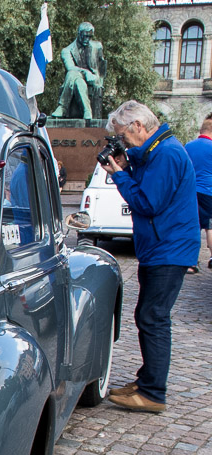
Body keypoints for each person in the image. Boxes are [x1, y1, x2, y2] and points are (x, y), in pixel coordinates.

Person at [100, 101, 200, 413]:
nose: (123, 142)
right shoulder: (159, 152)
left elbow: (146, 202)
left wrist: (118, 173)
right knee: (148, 314)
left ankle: (153, 392)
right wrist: (128, 166)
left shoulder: (167, 154)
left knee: (153, 317)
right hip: (162, 246)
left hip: (168, 248)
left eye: (123, 136)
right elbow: (148, 189)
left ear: (139, 126)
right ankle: (147, 382)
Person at [51, 22, 106, 120]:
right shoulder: (67, 51)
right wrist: (85, 72)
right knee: (78, 81)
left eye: (89, 36)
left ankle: (62, 106)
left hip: (93, 78)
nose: (87, 39)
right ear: (79, 34)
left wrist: (100, 81)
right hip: (77, 79)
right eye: (85, 36)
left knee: (73, 74)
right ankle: (87, 110)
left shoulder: (97, 47)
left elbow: (102, 65)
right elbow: (70, 68)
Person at [182, 113, 212, 271]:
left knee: (193, 226)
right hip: (209, 191)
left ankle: (191, 263)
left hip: (191, 192)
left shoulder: (188, 145)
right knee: (211, 227)